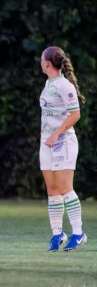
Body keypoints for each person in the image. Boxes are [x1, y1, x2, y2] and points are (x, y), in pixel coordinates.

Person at [38, 46, 86, 251]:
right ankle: (58, 234)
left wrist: (56, 134)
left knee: (66, 189)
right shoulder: (49, 83)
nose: (40, 62)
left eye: (41, 59)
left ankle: (78, 233)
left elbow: (75, 114)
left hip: (63, 142)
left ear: (47, 63)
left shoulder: (64, 85)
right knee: (53, 190)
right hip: (46, 143)